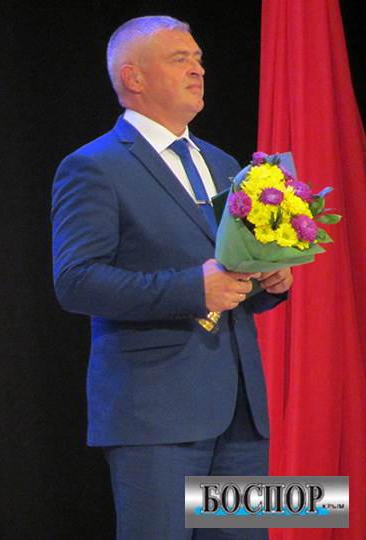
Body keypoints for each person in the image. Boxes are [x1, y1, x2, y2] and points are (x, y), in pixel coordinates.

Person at [51, 16, 293, 539]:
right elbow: (76, 280)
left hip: (241, 416)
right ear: (134, 78)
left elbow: (232, 274)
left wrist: (270, 281)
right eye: (180, 59)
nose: (198, 69)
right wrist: (191, 288)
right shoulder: (94, 166)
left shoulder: (224, 163)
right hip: (156, 418)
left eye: (199, 58)